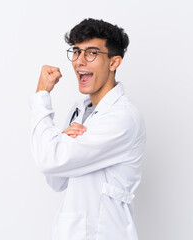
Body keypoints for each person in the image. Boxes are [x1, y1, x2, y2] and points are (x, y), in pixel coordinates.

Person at [29, 18, 146, 240]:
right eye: (76, 52)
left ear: (114, 62)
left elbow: (49, 160)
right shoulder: (79, 110)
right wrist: (61, 141)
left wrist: (41, 96)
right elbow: (56, 179)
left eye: (91, 53)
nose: (79, 61)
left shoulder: (122, 118)